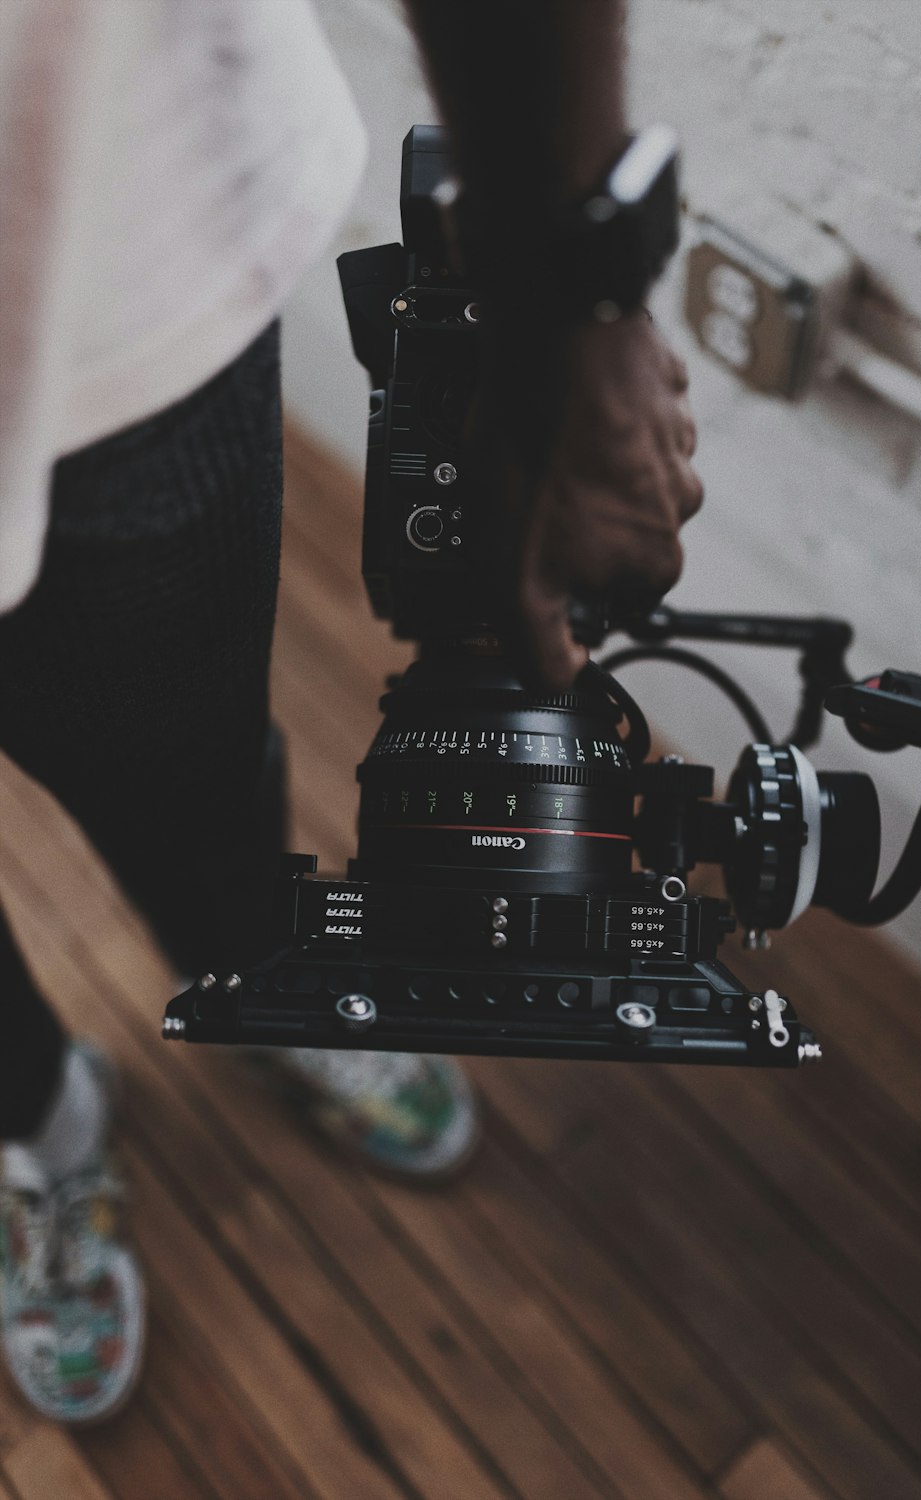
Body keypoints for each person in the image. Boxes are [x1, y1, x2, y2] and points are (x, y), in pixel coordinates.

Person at [0, 0, 702, 1425]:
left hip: (113, 287)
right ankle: (30, 1127)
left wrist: (562, 309)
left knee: (187, 768)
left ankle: (252, 970)